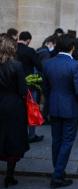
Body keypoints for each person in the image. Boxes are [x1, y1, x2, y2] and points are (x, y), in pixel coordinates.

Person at [43, 34, 78, 188]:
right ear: (72, 48)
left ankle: (58, 172)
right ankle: (57, 176)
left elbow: (46, 88)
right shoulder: (74, 65)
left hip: (54, 106)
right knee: (66, 142)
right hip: (71, 108)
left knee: (57, 141)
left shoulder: (48, 63)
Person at [0, 34, 29, 188]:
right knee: (13, 141)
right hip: (13, 107)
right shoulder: (16, 65)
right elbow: (23, 90)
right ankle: (9, 176)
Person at [16, 31, 44, 143]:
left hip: (14, 84)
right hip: (29, 84)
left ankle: (18, 134)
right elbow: (39, 66)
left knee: (18, 110)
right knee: (31, 109)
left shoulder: (12, 49)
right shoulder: (29, 51)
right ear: (28, 40)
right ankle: (31, 135)